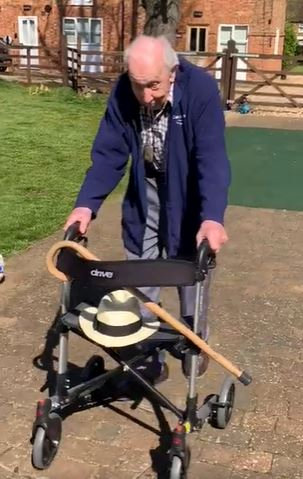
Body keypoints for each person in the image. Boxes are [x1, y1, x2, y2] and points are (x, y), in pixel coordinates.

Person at [64, 34, 231, 382]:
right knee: (141, 268)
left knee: (189, 270)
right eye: (138, 86)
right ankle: (146, 352)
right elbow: (109, 154)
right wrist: (85, 207)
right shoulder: (126, 90)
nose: (146, 96)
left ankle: (193, 340)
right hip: (147, 187)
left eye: (153, 85)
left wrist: (212, 217)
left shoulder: (200, 89)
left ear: (173, 72)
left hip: (190, 194)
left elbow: (211, 158)